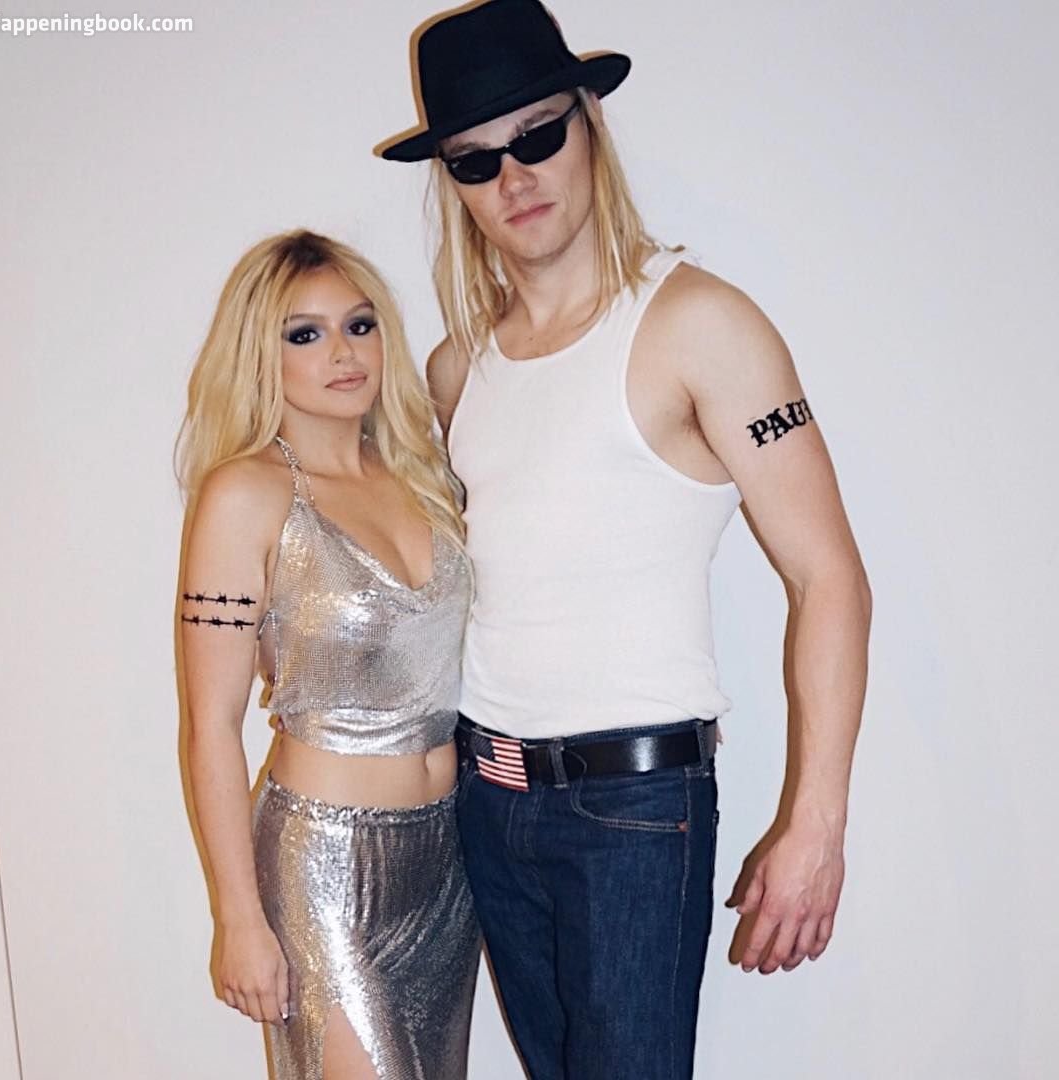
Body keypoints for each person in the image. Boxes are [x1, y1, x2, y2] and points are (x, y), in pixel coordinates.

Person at [376, 2, 872, 1078]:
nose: (513, 178)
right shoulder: (458, 371)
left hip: (634, 810)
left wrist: (816, 823)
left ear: (590, 122)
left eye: (538, 135)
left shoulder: (701, 324)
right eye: (475, 161)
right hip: (484, 800)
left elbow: (829, 574)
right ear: (452, 183)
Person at [176, 229, 480, 1080]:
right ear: (261, 354)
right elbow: (210, 725)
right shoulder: (246, 493)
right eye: (304, 334)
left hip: (449, 863)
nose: (343, 353)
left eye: (360, 324)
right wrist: (239, 917)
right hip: (325, 867)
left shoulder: (425, 476)